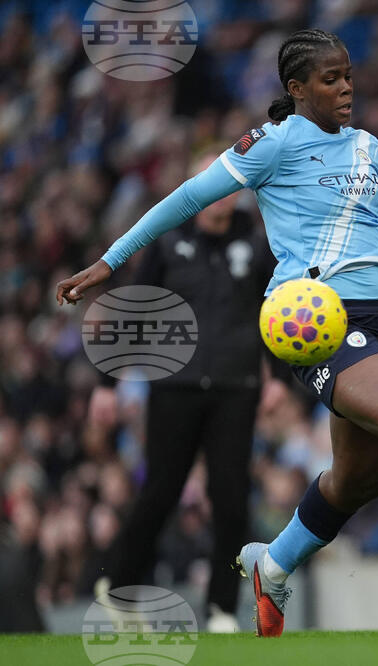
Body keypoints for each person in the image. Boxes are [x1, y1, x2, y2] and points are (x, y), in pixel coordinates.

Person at [55, 29, 378, 638]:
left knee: (359, 480)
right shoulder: (273, 143)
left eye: (348, 76)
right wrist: (110, 260)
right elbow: (184, 199)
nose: (346, 88)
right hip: (317, 323)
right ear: (296, 88)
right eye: (330, 79)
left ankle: (273, 563)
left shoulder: (369, 148)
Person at [88, 150, 275, 633]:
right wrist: (106, 385)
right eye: (211, 183)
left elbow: (275, 317)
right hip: (175, 387)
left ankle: (220, 609)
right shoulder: (168, 244)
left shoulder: (256, 246)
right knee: (162, 493)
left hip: (238, 388)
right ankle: (119, 586)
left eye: (230, 185)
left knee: (232, 500)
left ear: (240, 192)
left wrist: (281, 380)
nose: (221, 194)